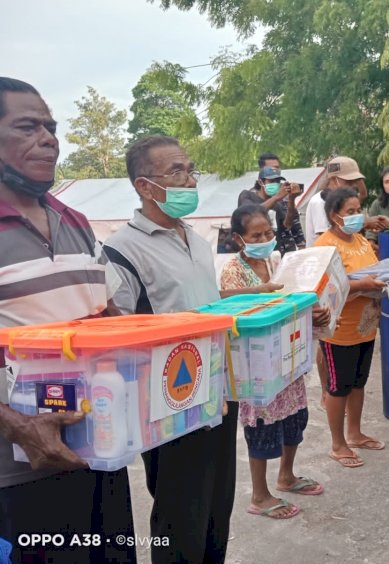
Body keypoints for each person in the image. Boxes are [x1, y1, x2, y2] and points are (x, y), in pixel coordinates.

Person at [0, 77, 135, 563]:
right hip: (19, 466)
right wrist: (18, 426)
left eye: (52, 127)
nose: (49, 138)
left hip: (98, 446)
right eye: (28, 126)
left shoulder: (74, 220)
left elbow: (104, 316)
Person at [103, 135, 238, 563]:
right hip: (170, 405)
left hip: (217, 391)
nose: (190, 179)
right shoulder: (121, 249)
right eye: (176, 171)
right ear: (144, 186)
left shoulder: (197, 240)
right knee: (180, 519)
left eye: (190, 168)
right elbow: (114, 333)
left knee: (218, 509)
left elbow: (208, 309)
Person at [220, 204, 331, 518]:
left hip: (287, 356)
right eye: (256, 235)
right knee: (262, 428)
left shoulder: (276, 260)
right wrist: (262, 293)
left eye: (268, 232)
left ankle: (287, 476)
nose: (265, 238)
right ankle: (259, 495)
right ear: (240, 239)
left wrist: (313, 311)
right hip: (256, 364)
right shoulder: (233, 269)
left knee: (295, 419)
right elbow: (229, 308)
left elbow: (292, 299)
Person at [314, 188, 386, 467]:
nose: (358, 216)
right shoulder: (325, 246)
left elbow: (375, 269)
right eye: (351, 212)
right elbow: (325, 286)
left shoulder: (360, 240)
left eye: (359, 210)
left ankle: (355, 434)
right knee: (338, 387)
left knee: (358, 383)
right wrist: (363, 285)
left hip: (366, 325)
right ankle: (338, 444)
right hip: (340, 329)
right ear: (334, 216)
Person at [237, 166, 305, 256]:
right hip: (255, 252)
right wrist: (276, 197)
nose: (275, 184)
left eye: (277, 181)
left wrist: (291, 200)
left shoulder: (278, 203)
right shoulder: (247, 195)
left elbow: (287, 225)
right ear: (261, 182)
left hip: (275, 253)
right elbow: (251, 213)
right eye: (271, 181)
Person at [304, 156, 368, 246]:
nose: (353, 186)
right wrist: (365, 223)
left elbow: (363, 194)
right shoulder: (320, 202)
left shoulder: (344, 200)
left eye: (355, 182)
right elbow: (326, 237)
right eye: (349, 182)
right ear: (334, 180)